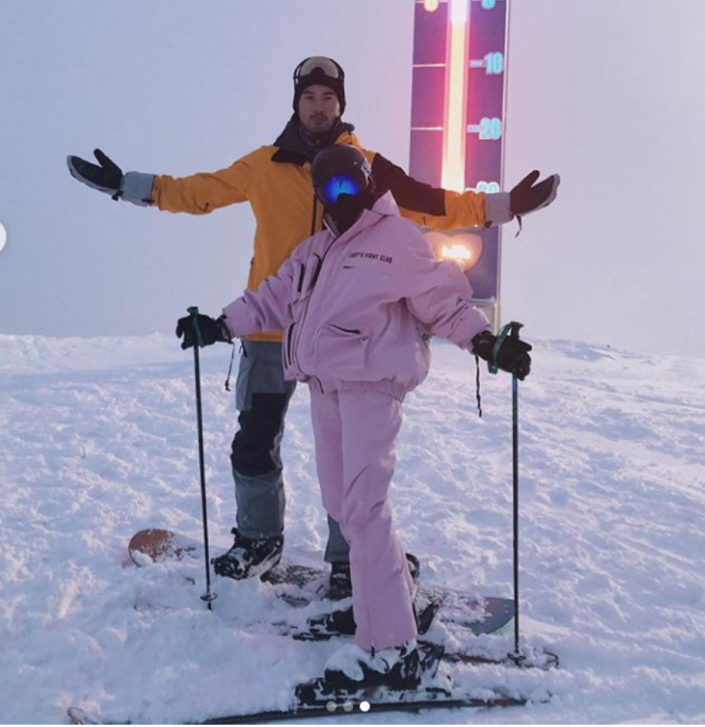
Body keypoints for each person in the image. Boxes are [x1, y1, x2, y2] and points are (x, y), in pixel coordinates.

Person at [67, 56, 558, 593]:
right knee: (254, 440)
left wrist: (506, 205)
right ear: (296, 104)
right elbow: (198, 191)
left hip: (346, 337)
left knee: (349, 458)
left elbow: (433, 203)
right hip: (268, 328)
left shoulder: (365, 165)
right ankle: (259, 541)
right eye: (310, 98)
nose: (319, 107)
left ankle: (353, 559)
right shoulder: (263, 165)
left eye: (329, 98)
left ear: (341, 106)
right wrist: (127, 185)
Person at [175, 143, 532, 692]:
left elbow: (444, 302)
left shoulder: (395, 240)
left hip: (371, 385)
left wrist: (488, 343)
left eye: (349, 185)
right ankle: (387, 607)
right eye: (328, 189)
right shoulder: (316, 251)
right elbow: (270, 298)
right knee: (345, 508)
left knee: (364, 511)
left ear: (366, 183)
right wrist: (220, 325)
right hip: (326, 386)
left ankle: (391, 649)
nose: (339, 197)